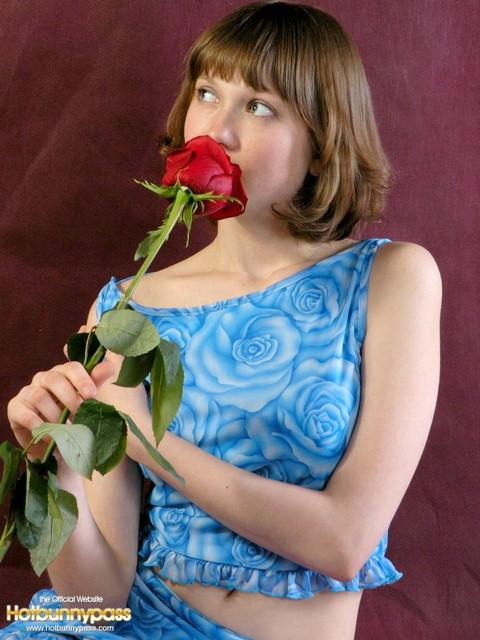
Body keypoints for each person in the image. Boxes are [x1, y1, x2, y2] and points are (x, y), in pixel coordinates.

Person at [1, 2, 442, 639]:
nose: (218, 131)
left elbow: (345, 541)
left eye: (259, 106)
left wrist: (148, 439)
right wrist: (56, 463)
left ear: (323, 144)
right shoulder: (124, 310)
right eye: (207, 93)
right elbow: (95, 602)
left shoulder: (390, 279)